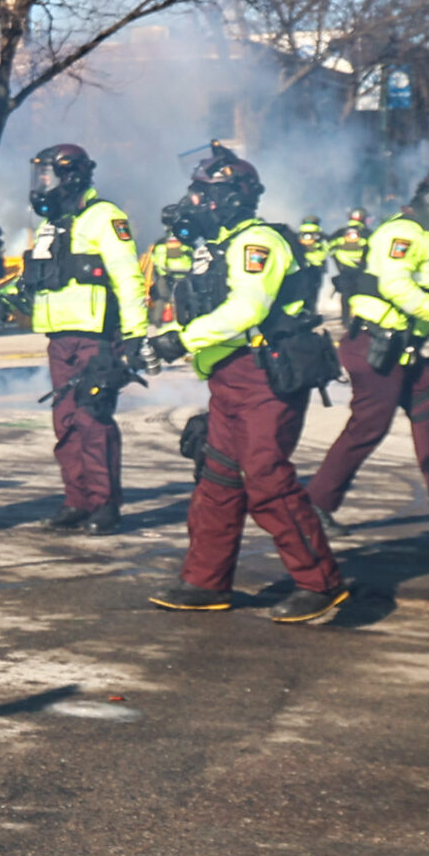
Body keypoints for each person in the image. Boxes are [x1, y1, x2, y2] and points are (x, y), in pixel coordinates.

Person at [144, 145, 347, 621]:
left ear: (233, 198)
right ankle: (205, 582)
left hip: (264, 376)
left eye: (204, 193)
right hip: (229, 377)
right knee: (217, 478)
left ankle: (320, 583)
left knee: (266, 478)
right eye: (194, 191)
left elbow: (247, 309)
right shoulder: (216, 246)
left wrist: (179, 341)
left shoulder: (259, 243)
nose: (193, 201)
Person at [307, 167, 429, 536]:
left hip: (403, 347)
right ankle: (315, 505)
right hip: (376, 344)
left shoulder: (427, 236)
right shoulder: (404, 233)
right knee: (369, 426)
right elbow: (395, 285)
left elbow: (425, 282)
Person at [0, 143, 148, 533]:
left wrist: (134, 334)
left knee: (93, 419)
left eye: (48, 175)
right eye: (40, 175)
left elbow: (128, 277)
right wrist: (7, 298)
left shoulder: (104, 217)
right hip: (59, 338)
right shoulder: (52, 226)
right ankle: (77, 501)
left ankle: (104, 505)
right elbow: (37, 276)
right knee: (65, 422)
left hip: (96, 337)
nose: (42, 184)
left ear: (72, 176)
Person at [328, 207, 372, 326]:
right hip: (362, 270)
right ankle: (359, 320)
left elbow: (328, 247)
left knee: (346, 294)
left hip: (344, 270)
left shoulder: (340, 232)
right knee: (362, 295)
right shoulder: (367, 233)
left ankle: (345, 319)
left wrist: (338, 261)